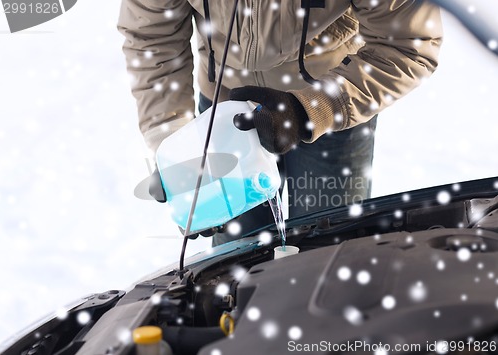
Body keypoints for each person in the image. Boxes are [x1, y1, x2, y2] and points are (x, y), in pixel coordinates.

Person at [118, 0, 443, 244]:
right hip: (223, 117)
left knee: (328, 256)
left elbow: (407, 44)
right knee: (233, 267)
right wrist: (172, 139)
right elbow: (150, 36)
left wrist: (310, 110)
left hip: (334, 110)